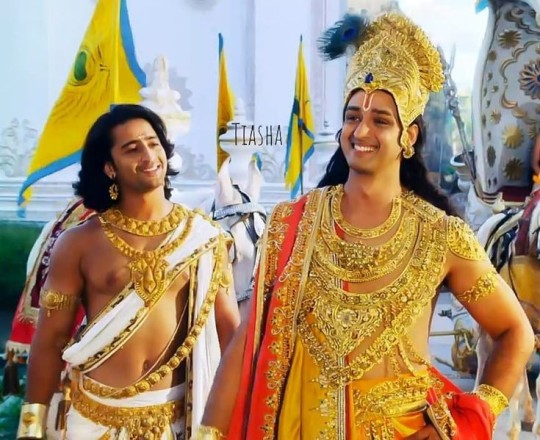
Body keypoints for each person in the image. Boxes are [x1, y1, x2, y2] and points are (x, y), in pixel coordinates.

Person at [194, 13, 535, 440]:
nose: (362, 130)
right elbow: (247, 341)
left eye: (381, 120)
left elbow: (514, 331)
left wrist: (470, 418)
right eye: (353, 116)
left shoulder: (440, 235)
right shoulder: (290, 224)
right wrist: (208, 433)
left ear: (409, 136)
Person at [16, 104, 240, 440]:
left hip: (177, 422)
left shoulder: (204, 238)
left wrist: (221, 425)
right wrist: (31, 427)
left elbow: (231, 337)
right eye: (132, 149)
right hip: (92, 421)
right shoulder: (78, 243)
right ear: (110, 167)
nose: (149, 156)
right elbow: (50, 340)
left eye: (153, 143)